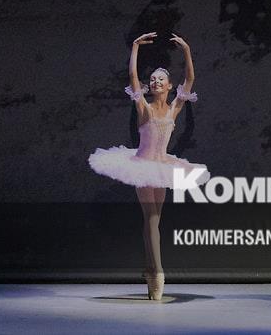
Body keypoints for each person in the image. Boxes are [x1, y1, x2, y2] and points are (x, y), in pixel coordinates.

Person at [88, 32, 207, 300]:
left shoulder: (175, 108)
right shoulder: (144, 108)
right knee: (152, 220)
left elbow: (190, 80)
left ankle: (150, 267)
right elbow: (132, 77)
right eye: (152, 79)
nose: (155, 82)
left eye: (160, 79)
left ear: (169, 86)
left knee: (153, 221)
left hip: (162, 167)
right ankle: (158, 271)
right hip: (142, 166)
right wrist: (134, 47)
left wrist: (187, 50)